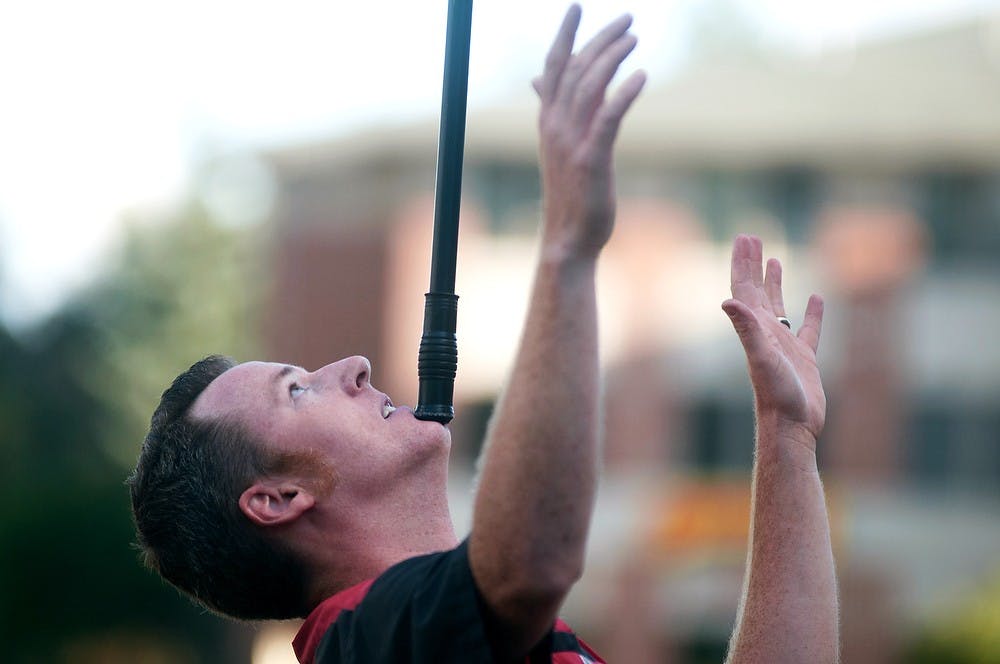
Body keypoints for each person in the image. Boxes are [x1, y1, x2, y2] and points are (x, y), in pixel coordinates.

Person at [129, 5, 839, 663]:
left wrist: (787, 435)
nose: (350, 366)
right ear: (278, 499)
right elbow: (532, 564)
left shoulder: (484, 637)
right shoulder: (365, 644)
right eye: (299, 391)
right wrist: (566, 245)